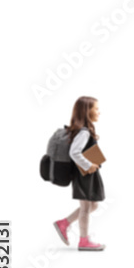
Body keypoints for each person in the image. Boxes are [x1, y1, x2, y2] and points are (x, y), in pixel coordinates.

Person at [51, 96, 105, 251]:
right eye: (96, 109)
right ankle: (84, 241)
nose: (99, 112)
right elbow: (75, 152)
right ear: (87, 112)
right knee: (86, 207)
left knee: (92, 204)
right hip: (84, 174)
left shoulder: (83, 131)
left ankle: (64, 223)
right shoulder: (84, 132)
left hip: (86, 173)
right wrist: (89, 165)